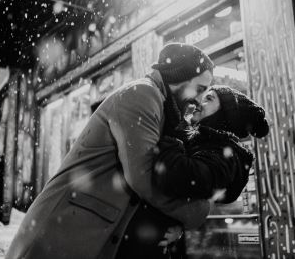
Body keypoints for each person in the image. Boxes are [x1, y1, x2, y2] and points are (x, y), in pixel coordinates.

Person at [6, 43, 215, 259]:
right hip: (61, 233)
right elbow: (143, 177)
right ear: (179, 76)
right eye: (199, 89)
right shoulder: (143, 94)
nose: (199, 100)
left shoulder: (162, 107)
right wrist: (196, 212)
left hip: (81, 235)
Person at [115, 85, 269, 258]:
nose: (199, 102)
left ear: (224, 114)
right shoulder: (202, 143)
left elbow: (180, 176)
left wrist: (172, 132)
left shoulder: (224, 154)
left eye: (209, 99)